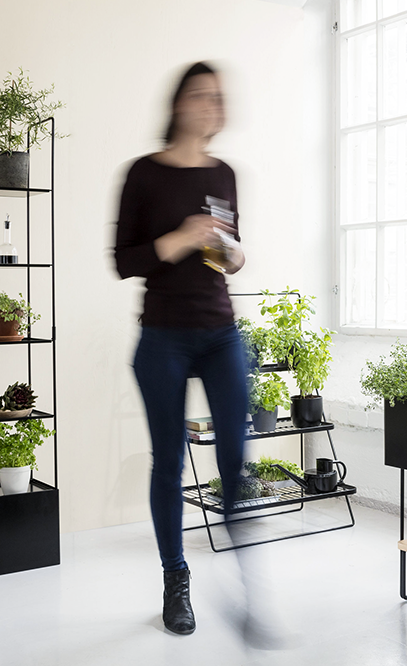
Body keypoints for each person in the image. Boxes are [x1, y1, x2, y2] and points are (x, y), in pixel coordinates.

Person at [112, 62, 248, 636]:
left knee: (234, 452)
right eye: (199, 95)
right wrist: (180, 237)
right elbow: (124, 261)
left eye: (216, 97)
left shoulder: (226, 174)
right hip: (163, 336)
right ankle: (177, 578)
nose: (209, 104)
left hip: (220, 331)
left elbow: (228, 255)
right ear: (178, 104)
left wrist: (230, 252)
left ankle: (242, 559)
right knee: (168, 462)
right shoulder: (143, 174)